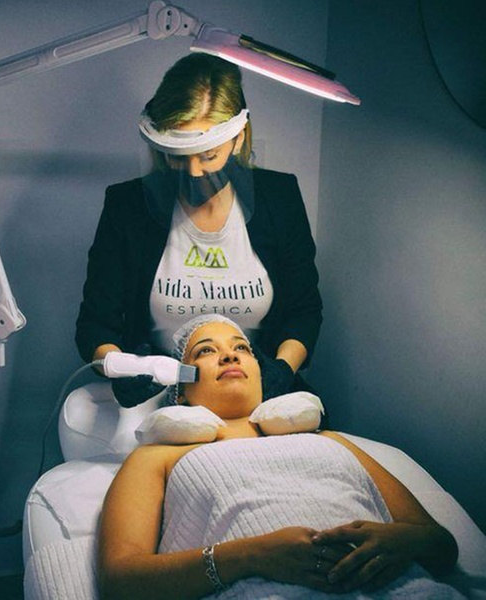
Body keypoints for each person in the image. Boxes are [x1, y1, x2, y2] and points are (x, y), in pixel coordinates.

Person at [96, 315, 460, 600]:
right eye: (205, 351)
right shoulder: (158, 457)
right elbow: (120, 580)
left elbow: (441, 545)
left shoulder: (330, 440)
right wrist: (250, 555)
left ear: (260, 373)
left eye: (242, 348)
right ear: (180, 391)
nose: (230, 355)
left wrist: (398, 541)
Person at [75, 53, 323, 411]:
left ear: (238, 138)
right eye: (178, 156)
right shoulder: (128, 207)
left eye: (207, 155)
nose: (192, 172)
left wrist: (281, 370)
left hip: (257, 395)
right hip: (164, 399)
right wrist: (124, 367)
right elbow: (95, 325)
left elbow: (304, 310)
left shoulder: (278, 199)